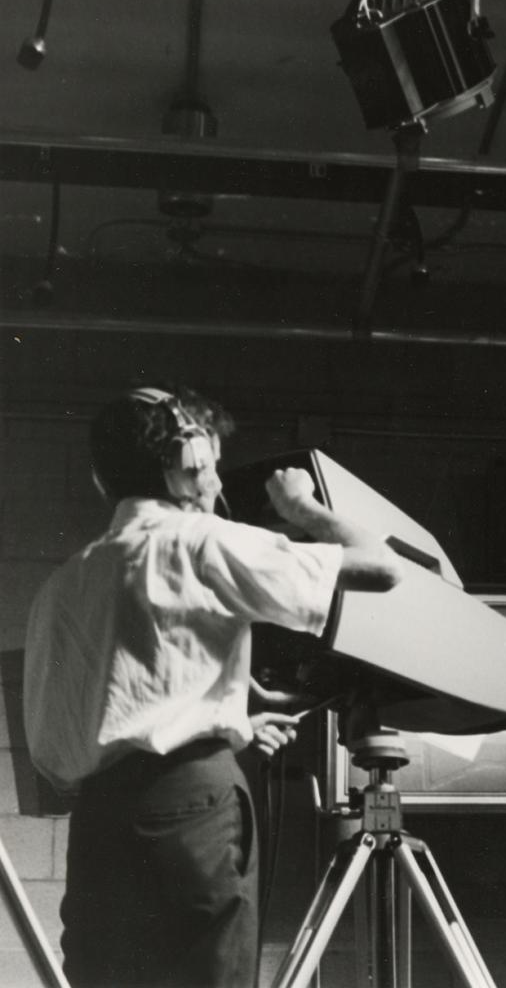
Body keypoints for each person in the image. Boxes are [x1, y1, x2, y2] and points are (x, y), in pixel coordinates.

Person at [23, 385, 405, 988]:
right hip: (196, 810)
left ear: (102, 481)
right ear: (185, 467)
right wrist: (303, 507)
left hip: (97, 824)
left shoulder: (62, 586)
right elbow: (382, 569)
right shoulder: (202, 541)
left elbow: (79, 732)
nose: (217, 484)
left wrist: (221, 726)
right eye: (212, 467)